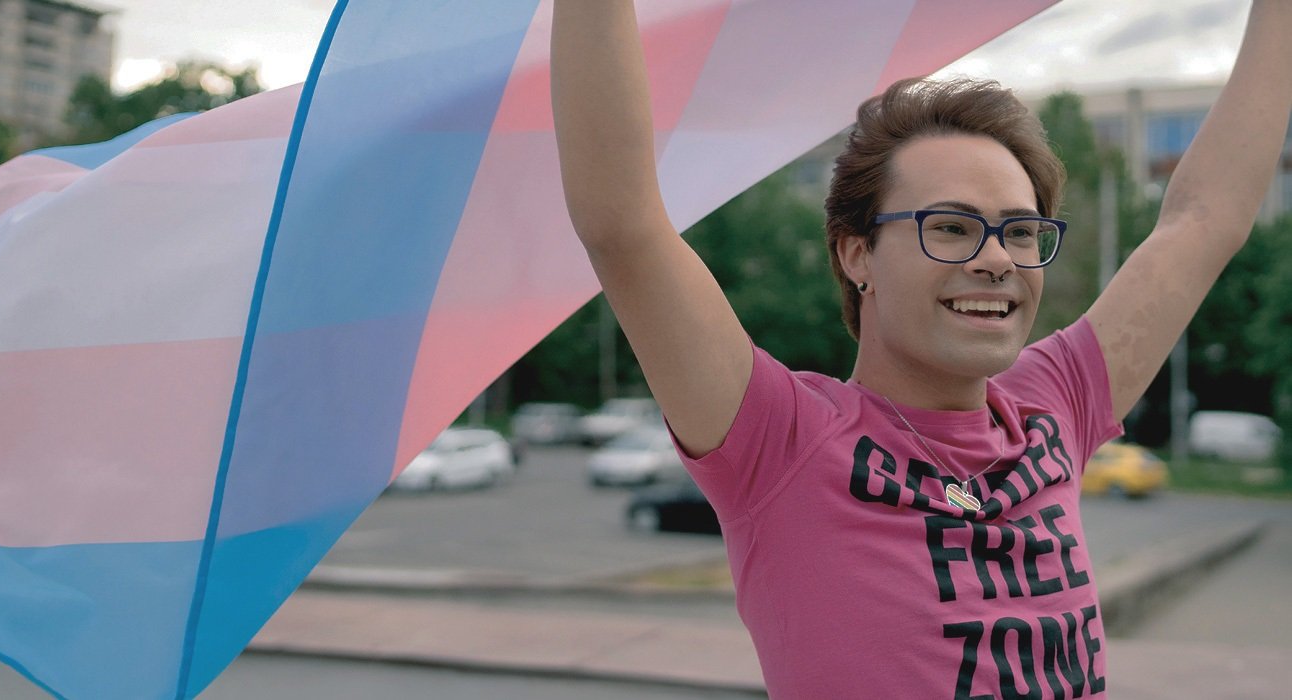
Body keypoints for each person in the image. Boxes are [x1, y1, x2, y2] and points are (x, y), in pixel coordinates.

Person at [550, 1, 1292, 697]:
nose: (998, 258)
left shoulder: (1054, 403)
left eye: (1021, 231)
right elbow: (623, 220)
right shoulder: (781, 442)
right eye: (952, 226)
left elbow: (1203, 217)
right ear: (856, 255)